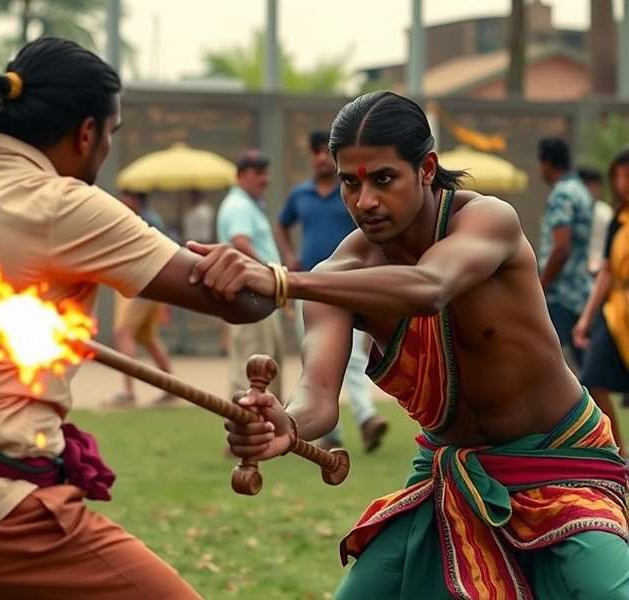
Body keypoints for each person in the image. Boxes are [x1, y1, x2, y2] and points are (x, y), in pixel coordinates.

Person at [0, 37, 275, 599]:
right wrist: (263, 276)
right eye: (111, 135)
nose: (105, 150)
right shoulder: (65, 204)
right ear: (87, 133)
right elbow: (244, 302)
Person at [189, 91, 629, 598]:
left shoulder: (489, 220)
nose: (364, 201)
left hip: (559, 462)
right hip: (449, 476)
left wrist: (284, 281)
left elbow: (429, 286)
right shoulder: (338, 275)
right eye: (349, 183)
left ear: (426, 169)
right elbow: (318, 396)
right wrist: (283, 425)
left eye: (383, 179)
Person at [275, 130, 387, 453]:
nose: (320, 157)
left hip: (351, 282)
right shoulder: (300, 195)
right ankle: (334, 431)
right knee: (315, 356)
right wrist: (289, 255)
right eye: (315, 152)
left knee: (353, 357)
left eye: (325, 151)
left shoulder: (351, 192)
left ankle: (366, 417)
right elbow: (282, 224)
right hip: (309, 285)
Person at [216, 150, 284, 401]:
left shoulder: (247, 204)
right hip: (251, 295)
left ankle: (267, 423)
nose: (264, 179)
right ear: (241, 175)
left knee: (266, 365)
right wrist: (269, 273)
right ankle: (245, 424)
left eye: (266, 172)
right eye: (258, 173)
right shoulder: (239, 205)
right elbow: (240, 242)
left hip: (259, 296)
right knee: (254, 369)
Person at [574, 149, 629, 456]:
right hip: (617, 311)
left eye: (627, 176)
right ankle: (619, 453)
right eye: (618, 177)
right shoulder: (617, 220)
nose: (622, 184)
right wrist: (586, 318)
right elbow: (607, 270)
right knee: (593, 377)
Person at [110, 190, 175, 406]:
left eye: (126, 197)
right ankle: (172, 388)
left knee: (123, 333)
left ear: (135, 199)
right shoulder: (142, 218)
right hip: (145, 288)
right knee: (149, 339)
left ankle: (128, 392)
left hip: (141, 287)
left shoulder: (145, 222)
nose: (122, 202)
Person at [538, 138, 593, 371]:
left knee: (542, 361)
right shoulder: (580, 190)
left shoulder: (561, 194)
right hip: (580, 290)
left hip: (561, 293)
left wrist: (542, 285)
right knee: (588, 365)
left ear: (547, 163)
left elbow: (561, 248)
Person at [579, 166, 614, 275]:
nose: (593, 191)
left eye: (596, 186)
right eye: (589, 186)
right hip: (580, 269)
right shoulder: (576, 213)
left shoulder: (605, 212)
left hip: (600, 269)